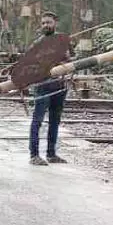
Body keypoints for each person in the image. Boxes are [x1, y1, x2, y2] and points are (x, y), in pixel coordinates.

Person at [29, 11, 71, 166]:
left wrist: (64, 65)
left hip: (59, 86)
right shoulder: (37, 43)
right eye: (43, 23)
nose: (46, 25)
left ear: (55, 23)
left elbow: (70, 59)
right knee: (37, 120)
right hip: (42, 86)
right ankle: (34, 155)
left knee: (55, 121)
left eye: (49, 22)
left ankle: (51, 154)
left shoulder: (63, 40)